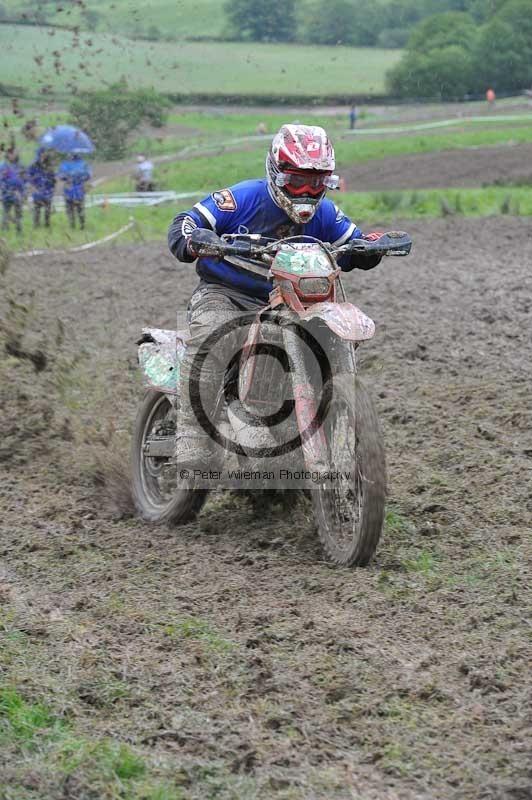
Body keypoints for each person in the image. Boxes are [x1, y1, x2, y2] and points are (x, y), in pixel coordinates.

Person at [168, 124, 385, 469]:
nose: (307, 191)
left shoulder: (326, 214)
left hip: (294, 301)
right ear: (277, 173)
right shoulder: (242, 199)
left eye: (316, 183)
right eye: (297, 180)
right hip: (228, 293)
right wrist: (196, 240)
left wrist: (370, 248)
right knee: (211, 334)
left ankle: (318, 424)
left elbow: (352, 243)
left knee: (326, 338)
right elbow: (186, 222)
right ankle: (191, 441)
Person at [57, 153, 91, 229]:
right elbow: (60, 175)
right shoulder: (65, 164)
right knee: (71, 208)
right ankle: (73, 225)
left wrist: (78, 176)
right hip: (69, 189)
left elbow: (88, 175)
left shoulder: (83, 163)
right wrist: (66, 177)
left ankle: (82, 225)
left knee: (79, 208)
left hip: (78, 188)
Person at [27, 148, 56, 228]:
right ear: (39, 154)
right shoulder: (33, 165)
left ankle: (47, 225)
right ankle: (36, 226)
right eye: (42, 153)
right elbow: (29, 177)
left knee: (47, 210)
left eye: (45, 153)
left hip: (48, 190)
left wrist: (52, 186)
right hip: (37, 190)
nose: (44, 155)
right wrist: (32, 186)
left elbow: (53, 177)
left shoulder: (49, 165)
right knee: (37, 210)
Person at [0, 149, 26, 234]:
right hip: (7, 194)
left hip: (18, 194)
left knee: (18, 214)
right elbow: (2, 181)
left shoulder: (20, 165)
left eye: (15, 153)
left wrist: (22, 192)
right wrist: (10, 191)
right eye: (11, 154)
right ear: (8, 155)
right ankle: (5, 231)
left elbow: (23, 179)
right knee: (6, 213)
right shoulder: (4, 166)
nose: (13, 155)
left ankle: (19, 231)